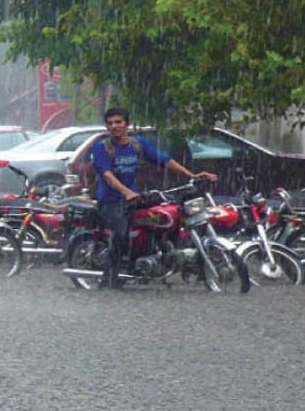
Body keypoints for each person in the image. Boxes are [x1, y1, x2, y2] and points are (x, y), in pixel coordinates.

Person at [92, 107, 218, 289]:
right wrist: (126, 192)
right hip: (110, 201)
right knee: (120, 233)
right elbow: (107, 175)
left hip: (134, 198)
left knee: (168, 215)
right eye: (110, 123)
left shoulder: (137, 144)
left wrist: (192, 175)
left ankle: (159, 255)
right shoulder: (101, 148)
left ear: (127, 124)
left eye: (118, 122)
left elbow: (164, 160)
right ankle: (109, 278)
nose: (114, 126)